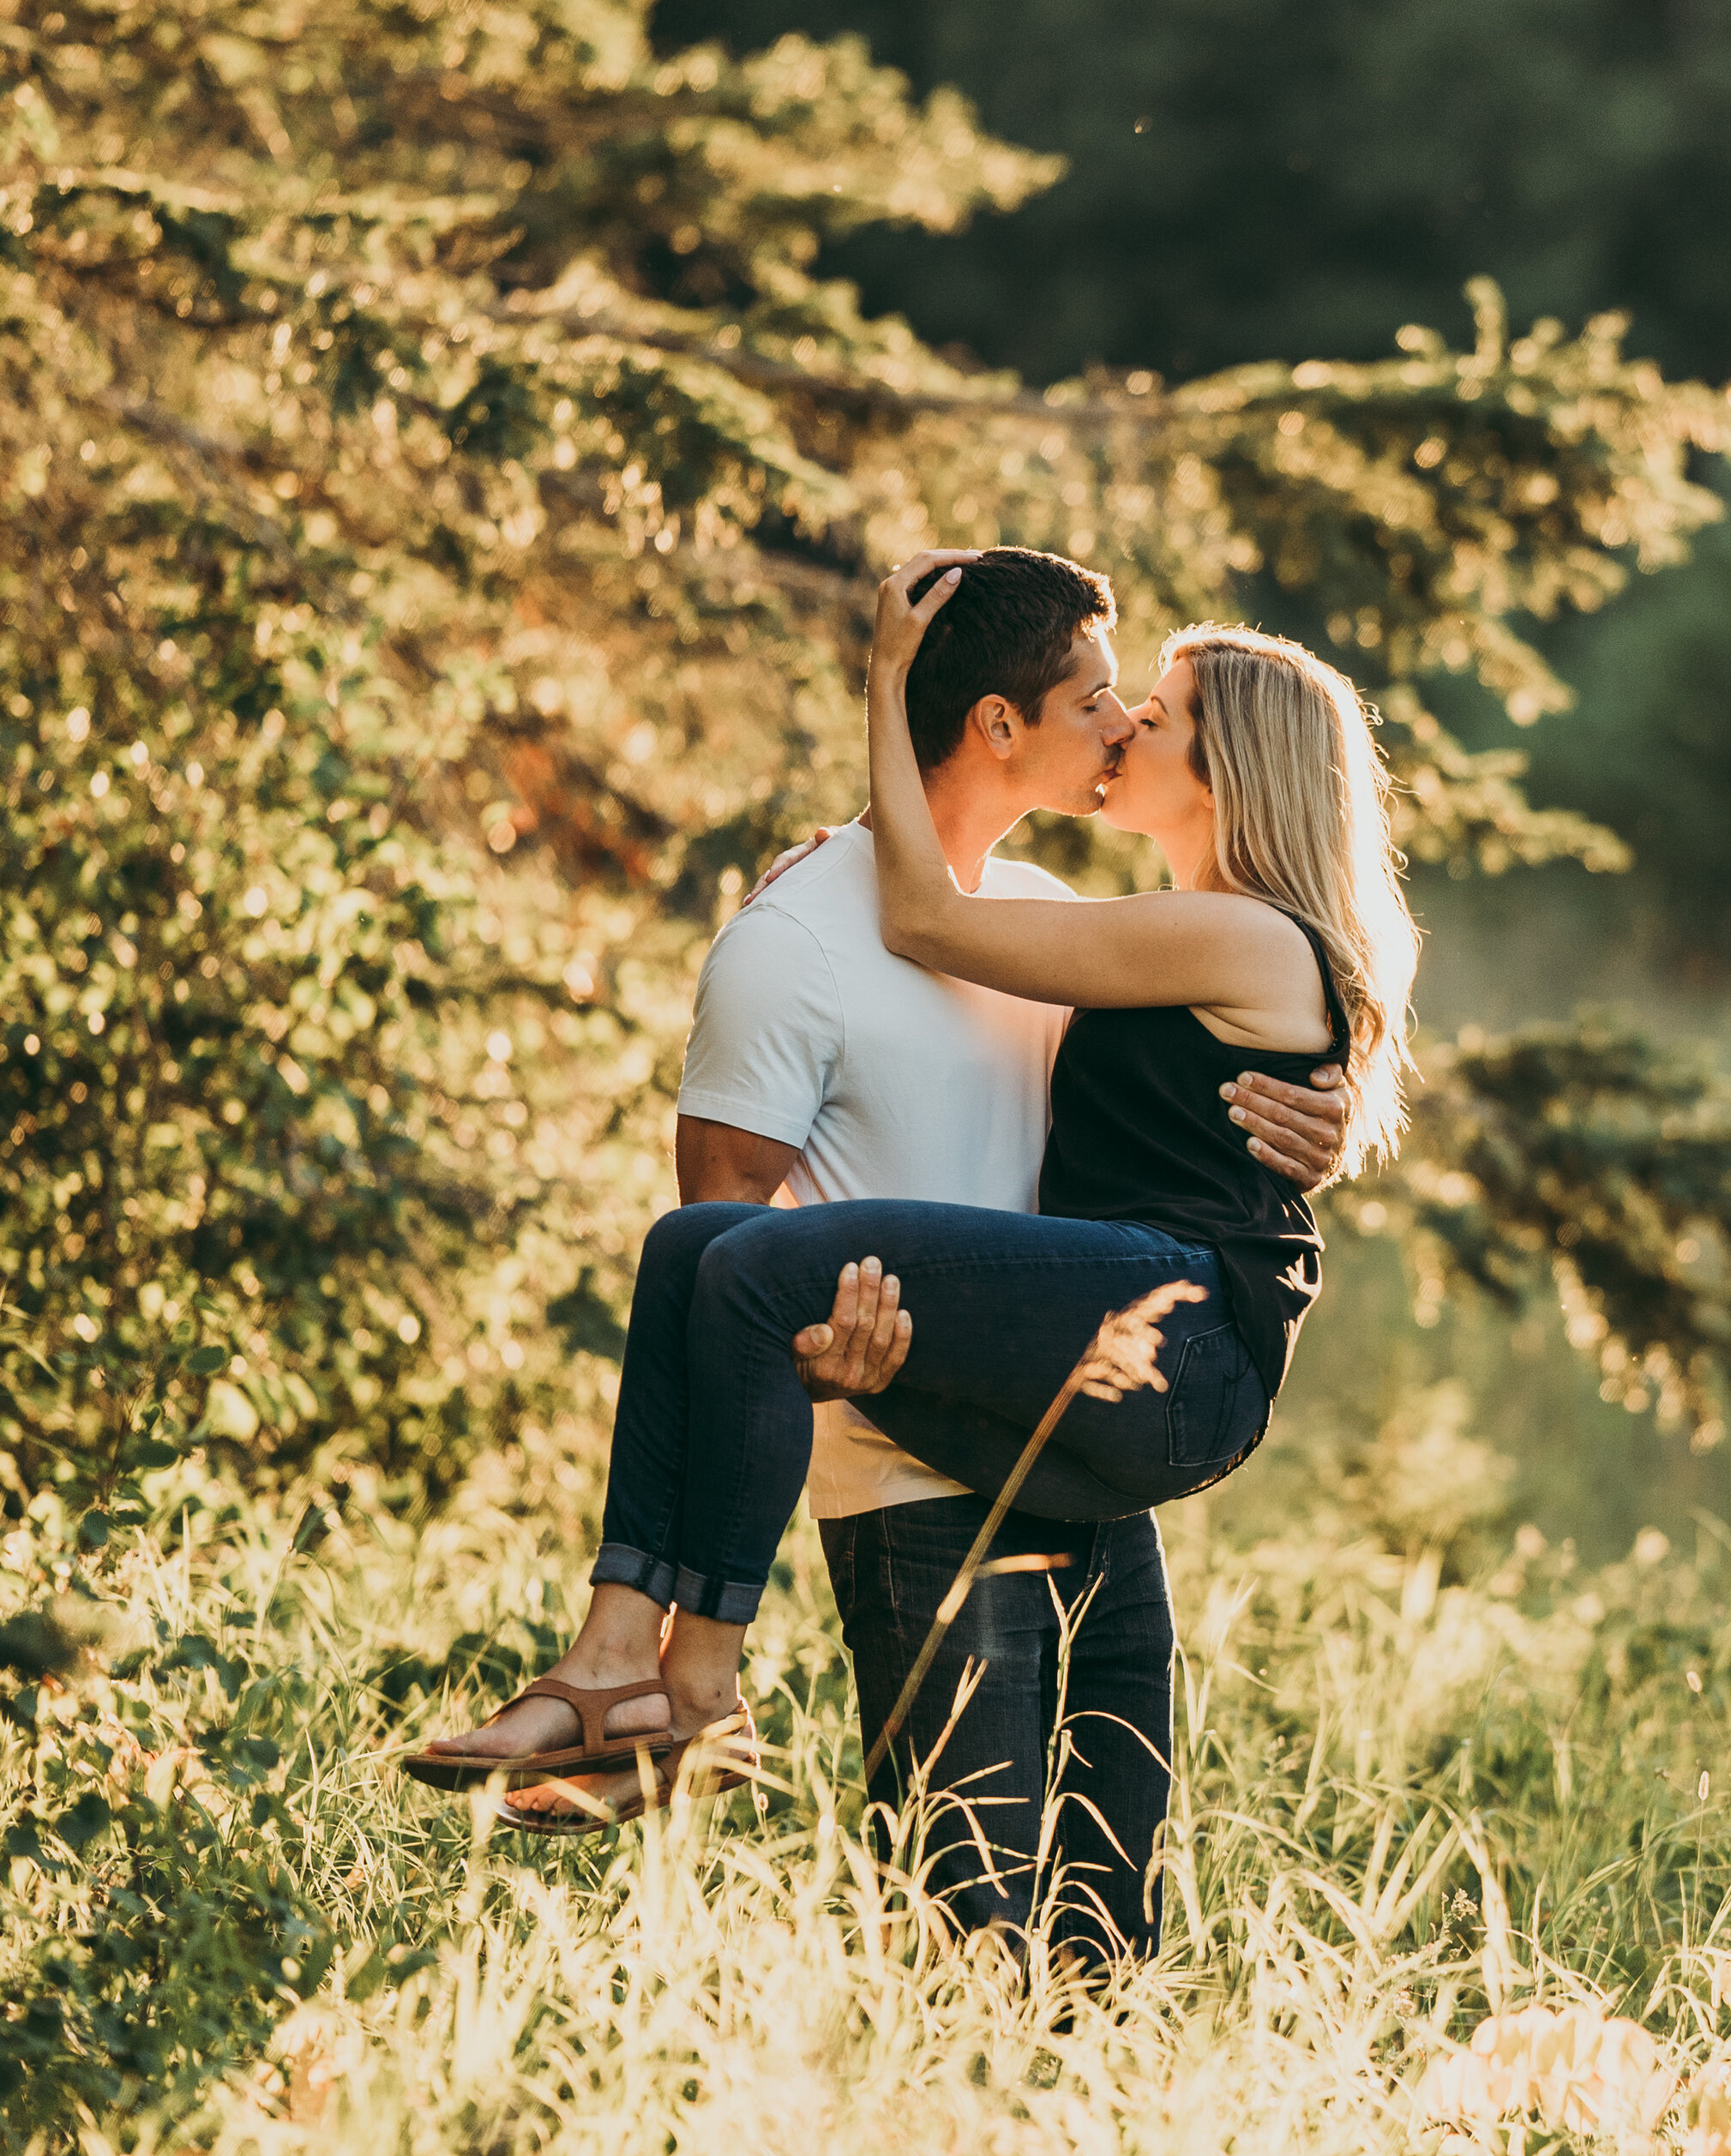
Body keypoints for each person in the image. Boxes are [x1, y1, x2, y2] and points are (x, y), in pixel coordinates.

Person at [406, 547, 1412, 1967]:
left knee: (738, 1259)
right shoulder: (1076, 925)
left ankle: (681, 1683)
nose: (1128, 726)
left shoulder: (1217, 930)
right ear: (1001, 722)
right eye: (1112, 700)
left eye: (1159, 713)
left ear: (1237, 769)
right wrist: (829, 860)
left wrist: (879, 681)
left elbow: (929, 918)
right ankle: (635, 1668)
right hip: (1040, 1408)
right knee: (1054, 1932)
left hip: (1165, 1351)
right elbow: (939, 933)